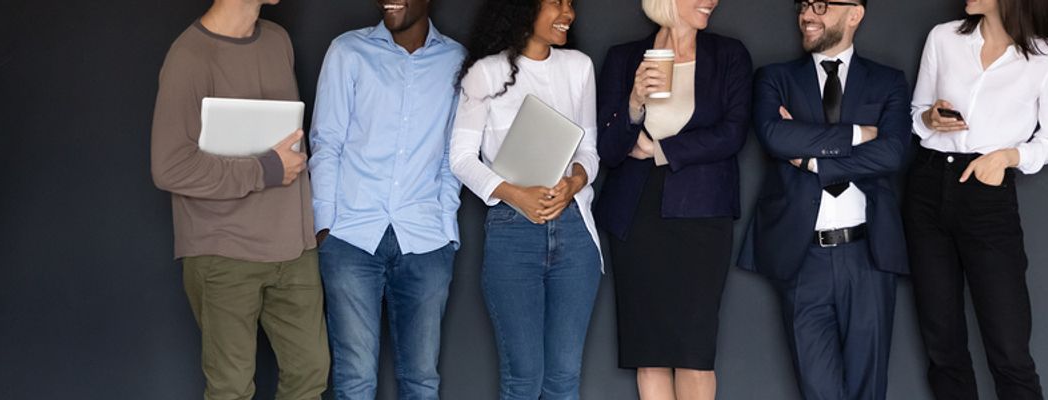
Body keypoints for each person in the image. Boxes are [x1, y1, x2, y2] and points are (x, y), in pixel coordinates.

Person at [150, 0, 328, 398]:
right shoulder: (189, 56)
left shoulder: (278, 41)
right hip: (222, 253)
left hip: (293, 251)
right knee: (230, 387)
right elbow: (169, 167)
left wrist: (306, 232)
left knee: (310, 374)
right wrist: (264, 170)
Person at [738, 0, 911, 399]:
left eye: (820, 4)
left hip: (868, 257)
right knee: (818, 391)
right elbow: (775, 136)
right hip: (803, 259)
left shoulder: (888, 81)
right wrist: (858, 135)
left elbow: (892, 154)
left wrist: (815, 164)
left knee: (868, 390)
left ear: (855, 14)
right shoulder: (775, 78)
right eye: (803, 5)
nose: (807, 14)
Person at [906, 0, 1048, 397]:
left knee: (1009, 348)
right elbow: (916, 114)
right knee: (942, 344)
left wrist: (1008, 157)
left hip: (987, 196)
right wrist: (931, 118)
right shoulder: (943, 38)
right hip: (928, 185)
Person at [307, 0, 465, 398]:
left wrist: (445, 226)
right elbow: (326, 143)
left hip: (425, 240)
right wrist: (326, 226)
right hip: (351, 239)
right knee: (355, 380)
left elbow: (453, 154)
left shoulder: (456, 61)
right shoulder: (348, 51)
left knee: (422, 380)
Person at [595, 0, 752, 398]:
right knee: (650, 354)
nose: (711, 1)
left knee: (694, 355)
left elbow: (732, 134)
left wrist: (660, 150)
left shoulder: (728, 55)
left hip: (702, 216)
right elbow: (610, 149)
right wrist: (633, 102)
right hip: (636, 216)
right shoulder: (624, 57)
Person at [448, 0, 601, 398]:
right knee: (523, 378)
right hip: (513, 232)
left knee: (564, 379)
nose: (567, 12)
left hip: (574, 232)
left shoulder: (579, 67)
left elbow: (589, 151)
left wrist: (574, 183)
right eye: (556, 2)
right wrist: (515, 194)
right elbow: (461, 159)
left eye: (571, 3)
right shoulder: (486, 73)